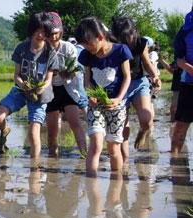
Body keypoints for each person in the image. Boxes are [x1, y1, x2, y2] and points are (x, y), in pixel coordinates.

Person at [0, 12, 59, 158]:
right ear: (31, 30)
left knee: (33, 133)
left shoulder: (50, 53)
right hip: (21, 90)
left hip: (40, 96)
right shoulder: (22, 48)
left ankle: (34, 170)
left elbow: (49, 79)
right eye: (37, 30)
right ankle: (4, 130)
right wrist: (23, 85)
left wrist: (42, 87)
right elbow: (16, 75)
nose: (40, 35)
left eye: (43, 31)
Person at [75, 17, 132, 177]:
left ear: (100, 36)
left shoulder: (121, 51)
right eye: (83, 44)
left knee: (114, 148)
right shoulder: (87, 56)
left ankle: (116, 184)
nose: (85, 47)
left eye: (88, 42)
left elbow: (127, 77)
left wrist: (119, 99)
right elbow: (87, 80)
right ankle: (91, 183)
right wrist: (90, 95)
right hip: (96, 106)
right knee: (96, 145)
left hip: (117, 106)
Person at [111, 18, 161, 162]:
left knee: (146, 120)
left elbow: (146, 62)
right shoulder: (113, 44)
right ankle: (125, 160)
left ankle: (142, 131)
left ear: (135, 31)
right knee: (122, 124)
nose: (128, 39)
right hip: (120, 86)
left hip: (139, 82)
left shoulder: (141, 42)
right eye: (123, 37)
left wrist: (155, 76)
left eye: (130, 35)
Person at [44, 12, 88, 158]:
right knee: (52, 129)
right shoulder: (43, 49)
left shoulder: (68, 48)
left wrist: (62, 73)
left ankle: (85, 154)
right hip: (50, 89)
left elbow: (74, 71)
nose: (54, 37)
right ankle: (52, 157)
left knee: (74, 122)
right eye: (50, 34)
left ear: (61, 31)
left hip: (68, 88)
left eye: (56, 33)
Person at [171, 9, 193, 156]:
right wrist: (189, 68)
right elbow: (179, 59)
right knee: (180, 128)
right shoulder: (186, 28)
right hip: (189, 85)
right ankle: (176, 169)